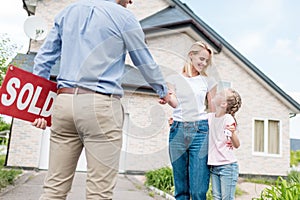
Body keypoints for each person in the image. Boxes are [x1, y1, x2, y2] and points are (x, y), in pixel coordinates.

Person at [31, 0, 171, 199]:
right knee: (99, 193)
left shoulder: (67, 12)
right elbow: (144, 61)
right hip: (100, 106)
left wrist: (39, 107)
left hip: (64, 102)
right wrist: (163, 90)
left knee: (53, 189)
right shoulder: (124, 17)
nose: (130, 2)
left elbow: (42, 61)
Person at [159, 41, 217, 200]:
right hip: (178, 130)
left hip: (201, 131)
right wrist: (166, 98)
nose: (204, 63)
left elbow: (213, 110)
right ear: (191, 55)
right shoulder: (173, 79)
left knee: (198, 190)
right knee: (181, 190)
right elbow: (175, 103)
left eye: (206, 61)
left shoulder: (209, 81)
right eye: (201, 58)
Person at [207, 88, 242, 200]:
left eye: (221, 94)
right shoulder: (210, 117)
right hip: (214, 165)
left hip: (227, 166)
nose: (217, 93)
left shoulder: (228, 119)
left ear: (223, 104)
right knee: (216, 198)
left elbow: (236, 145)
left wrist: (232, 133)